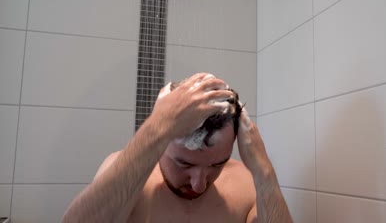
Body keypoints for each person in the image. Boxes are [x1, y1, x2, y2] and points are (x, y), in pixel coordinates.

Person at [62, 73, 292, 223]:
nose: (198, 183)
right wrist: (157, 127)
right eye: (184, 163)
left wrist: (264, 172)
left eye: (217, 164)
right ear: (162, 143)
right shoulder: (128, 180)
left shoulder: (244, 185)